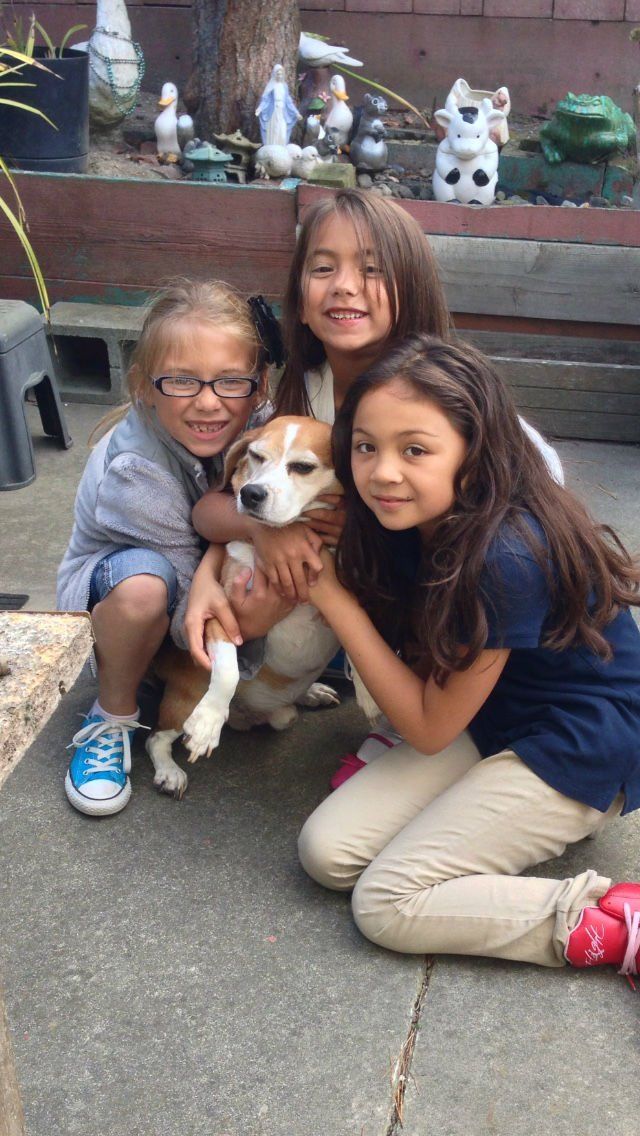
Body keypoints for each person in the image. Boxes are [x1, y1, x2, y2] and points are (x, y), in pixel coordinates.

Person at [190, 188, 564, 788]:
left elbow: (542, 481)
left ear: (412, 290)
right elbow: (211, 509)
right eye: (322, 267)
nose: (344, 285)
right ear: (301, 302)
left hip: (443, 618)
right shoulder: (291, 399)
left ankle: (414, 714)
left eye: (372, 269)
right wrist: (262, 530)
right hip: (333, 607)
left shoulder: (445, 396)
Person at [297, 334, 640, 981]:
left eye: (415, 449)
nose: (383, 472)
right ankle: (514, 818)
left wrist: (331, 597)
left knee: (386, 903)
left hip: (583, 740)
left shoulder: (504, 556)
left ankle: (606, 922)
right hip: (496, 714)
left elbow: (428, 729)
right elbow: (252, 510)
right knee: (326, 852)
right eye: (366, 447)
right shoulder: (400, 513)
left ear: (473, 453)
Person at [56, 279, 287, 817]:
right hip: (117, 592)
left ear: (259, 385)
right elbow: (193, 600)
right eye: (182, 381)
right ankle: (110, 716)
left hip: (192, 574)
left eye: (230, 381)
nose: (208, 402)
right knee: (145, 584)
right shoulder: (134, 471)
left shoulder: (260, 421)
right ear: (144, 385)